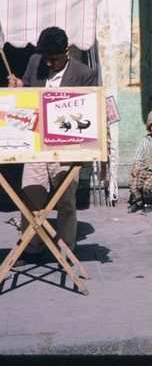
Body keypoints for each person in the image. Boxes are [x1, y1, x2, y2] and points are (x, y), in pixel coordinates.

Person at [7, 26, 97, 262]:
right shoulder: (35, 62)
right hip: (35, 147)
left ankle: (66, 249)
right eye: (46, 58)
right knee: (30, 196)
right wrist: (17, 89)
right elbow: (24, 97)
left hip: (66, 149)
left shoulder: (84, 74)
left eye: (54, 59)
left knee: (65, 201)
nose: (48, 63)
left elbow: (89, 114)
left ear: (66, 52)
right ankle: (32, 245)